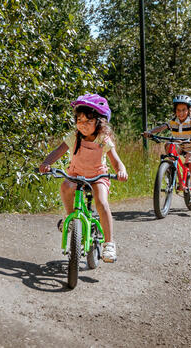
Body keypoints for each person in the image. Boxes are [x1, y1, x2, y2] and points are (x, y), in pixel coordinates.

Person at [39, 94, 128, 263]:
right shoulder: (74, 137)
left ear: (99, 123)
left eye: (88, 121)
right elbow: (58, 151)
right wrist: (46, 163)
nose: (83, 125)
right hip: (76, 174)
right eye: (79, 120)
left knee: (101, 201)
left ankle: (109, 244)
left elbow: (116, 161)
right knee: (66, 187)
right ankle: (70, 216)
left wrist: (121, 171)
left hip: (98, 176)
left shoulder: (103, 139)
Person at [143, 94, 191, 206]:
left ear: (189, 110)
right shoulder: (173, 121)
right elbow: (161, 127)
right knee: (169, 144)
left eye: (184, 110)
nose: (181, 113)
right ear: (175, 111)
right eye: (178, 110)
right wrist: (150, 132)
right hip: (179, 144)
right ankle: (170, 168)